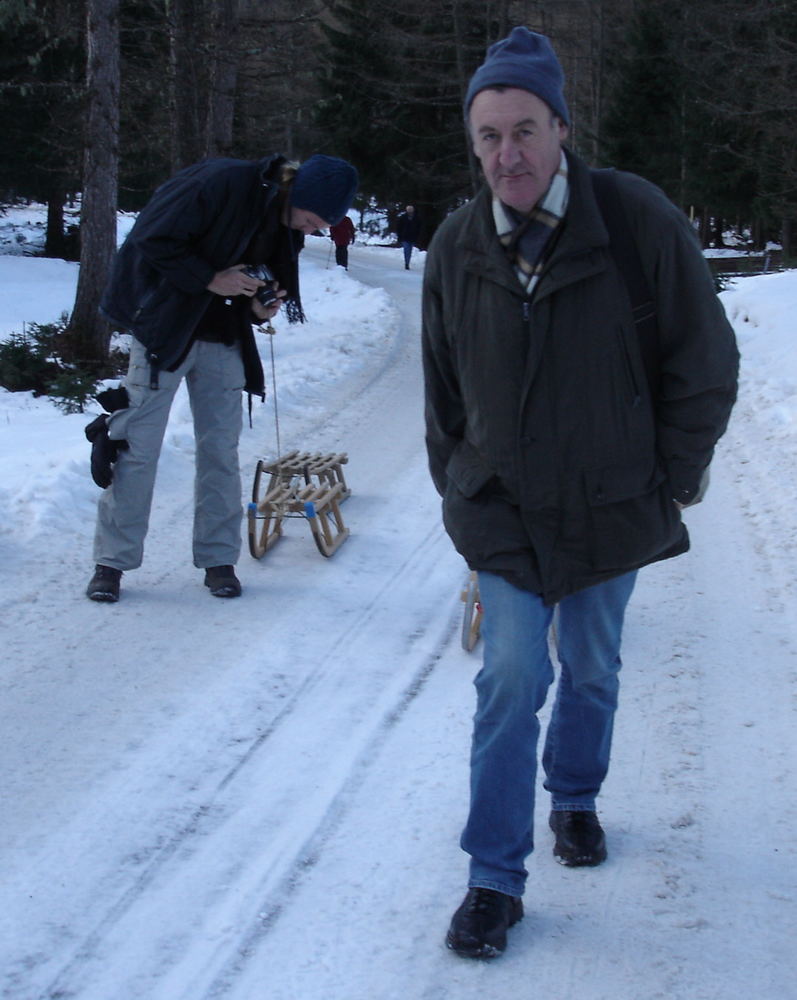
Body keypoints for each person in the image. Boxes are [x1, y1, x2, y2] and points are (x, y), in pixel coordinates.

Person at [421, 26, 738, 959]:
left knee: (591, 669)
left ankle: (575, 797)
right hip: (506, 511)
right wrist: (459, 487)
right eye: (488, 136)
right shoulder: (455, 244)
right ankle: (492, 878)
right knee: (512, 675)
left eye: (524, 129)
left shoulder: (632, 219)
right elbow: (441, 392)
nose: (507, 153)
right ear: (473, 144)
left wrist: (669, 477)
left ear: (560, 126)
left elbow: (704, 358)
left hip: (609, 505)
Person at [85, 153, 358, 603]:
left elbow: (263, 271)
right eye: (313, 220)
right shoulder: (221, 182)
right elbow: (153, 237)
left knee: (220, 450)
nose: (312, 231)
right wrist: (211, 278)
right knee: (136, 446)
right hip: (163, 328)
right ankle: (111, 563)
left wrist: (259, 303)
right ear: (300, 193)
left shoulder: (285, 218)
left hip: (223, 335)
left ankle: (218, 560)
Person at [395, 204, 420, 269]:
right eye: (409, 209)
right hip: (405, 237)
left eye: (411, 209)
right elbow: (399, 228)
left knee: (410, 250)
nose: (410, 211)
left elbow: (419, 227)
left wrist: (417, 235)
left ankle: (408, 261)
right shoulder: (403, 217)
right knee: (406, 250)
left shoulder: (416, 218)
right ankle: (407, 263)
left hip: (413, 237)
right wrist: (399, 237)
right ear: (406, 210)